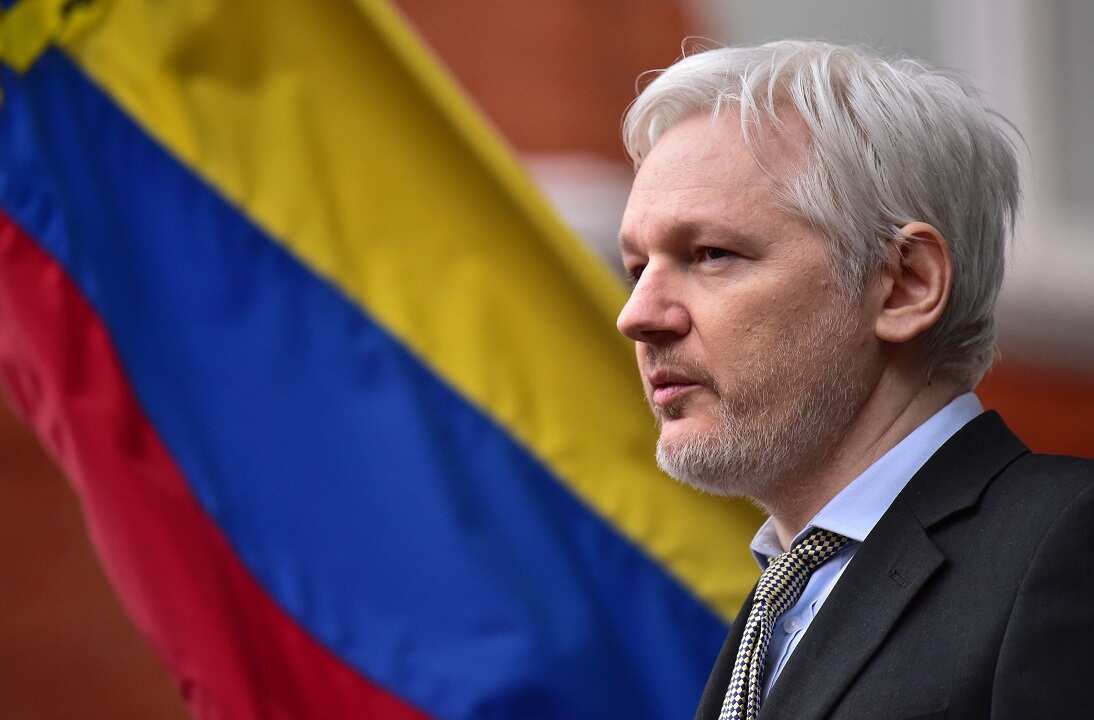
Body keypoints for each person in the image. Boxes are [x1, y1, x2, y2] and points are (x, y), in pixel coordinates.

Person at [615, 40, 1094, 720]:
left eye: (711, 254)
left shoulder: (1066, 544)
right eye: (638, 267)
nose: (637, 316)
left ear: (904, 284)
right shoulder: (783, 600)